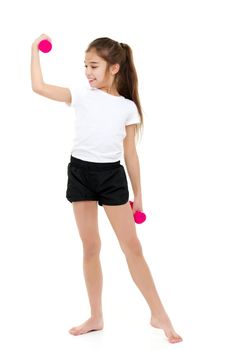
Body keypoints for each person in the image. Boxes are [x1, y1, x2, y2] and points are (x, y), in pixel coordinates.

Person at [31, 34, 183, 344]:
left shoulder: (127, 108)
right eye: (85, 65)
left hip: (112, 178)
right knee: (91, 247)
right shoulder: (81, 95)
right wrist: (34, 50)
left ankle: (159, 313)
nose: (87, 72)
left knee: (133, 247)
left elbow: (130, 154)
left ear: (114, 68)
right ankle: (96, 315)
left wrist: (138, 193)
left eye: (94, 66)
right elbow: (39, 87)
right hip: (81, 173)